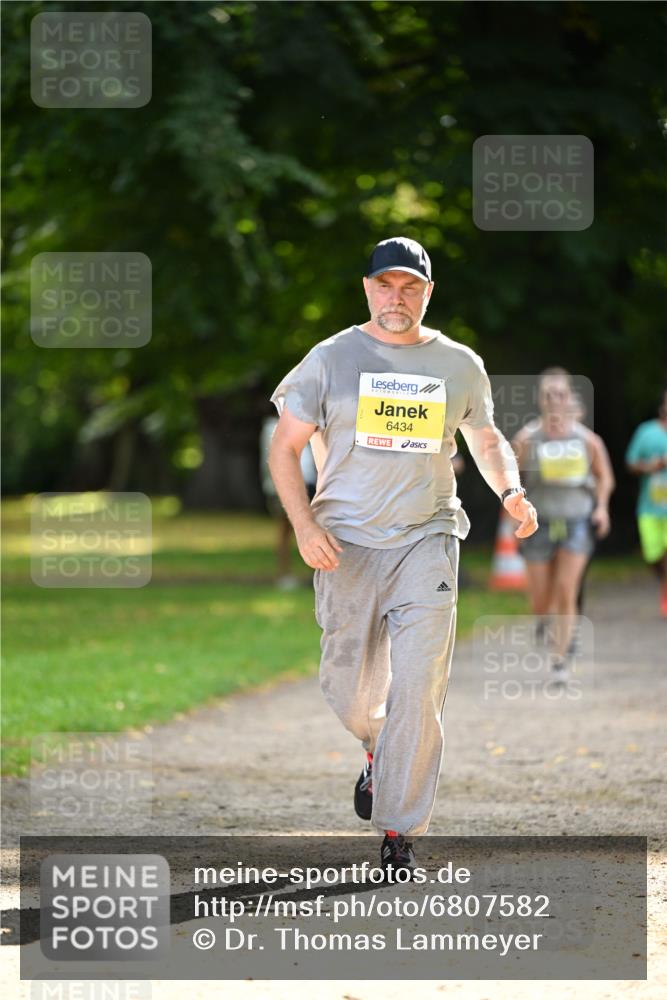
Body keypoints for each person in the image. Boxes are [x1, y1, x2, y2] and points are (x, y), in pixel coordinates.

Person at [268, 236, 537, 880]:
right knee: (353, 691)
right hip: (345, 543)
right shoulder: (331, 358)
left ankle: (399, 829)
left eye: (410, 286)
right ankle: (374, 746)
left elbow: (486, 435)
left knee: (420, 684)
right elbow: (286, 449)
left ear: (428, 292)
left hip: (428, 535)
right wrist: (303, 524)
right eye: (385, 285)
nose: (397, 298)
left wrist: (511, 489)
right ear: (367, 289)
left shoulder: (457, 363)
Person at [511, 368, 615, 682]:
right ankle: (545, 622)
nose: (555, 400)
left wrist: (602, 508)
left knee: (567, 590)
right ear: (540, 400)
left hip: (577, 520)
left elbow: (605, 477)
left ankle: (560, 661)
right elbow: (509, 482)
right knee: (541, 599)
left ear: (570, 397)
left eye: (561, 394)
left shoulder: (587, 440)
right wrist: (515, 518)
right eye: (548, 395)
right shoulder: (527, 439)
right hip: (538, 523)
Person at [260, 415, 317, 588]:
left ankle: (314, 575)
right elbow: (273, 455)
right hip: (285, 485)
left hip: (311, 482)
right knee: (287, 530)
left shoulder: (312, 418)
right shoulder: (273, 425)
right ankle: (284, 574)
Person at [625, 388, 667, 616]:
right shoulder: (646, 432)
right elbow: (631, 463)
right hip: (650, 506)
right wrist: (653, 466)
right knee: (652, 555)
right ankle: (663, 582)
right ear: (662, 406)